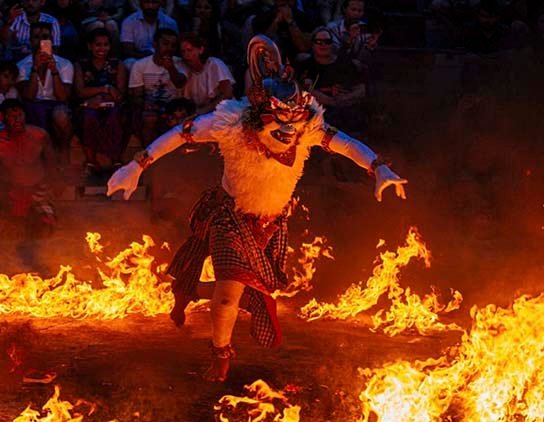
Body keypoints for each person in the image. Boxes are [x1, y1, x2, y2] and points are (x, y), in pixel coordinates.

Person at [107, 35, 408, 382]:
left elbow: (347, 144)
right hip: (230, 217)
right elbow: (181, 133)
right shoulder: (230, 125)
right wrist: (136, 166)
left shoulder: (307, 129)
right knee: (228, 297)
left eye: (294, 123)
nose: (288, 131)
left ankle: (188, 289)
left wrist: (378, 168)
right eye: (279, 122)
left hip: (272, 223)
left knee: (241, 291)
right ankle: (221, 355)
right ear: (256, 116)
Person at [0, 98, 58, 239]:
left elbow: (52, 165)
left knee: (45, 227)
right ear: (2, 118)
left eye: (20, 115)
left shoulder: (40, 136)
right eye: (12, 116)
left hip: (38, 190)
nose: (17, 120)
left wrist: (53, 187)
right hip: (9, 192)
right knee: (6, 230)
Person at [74, 27, 127, 175]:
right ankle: (91, 161)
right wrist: (105, 89)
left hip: (112, 106)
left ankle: (116, 160)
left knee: (115, 116)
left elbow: (119, 94)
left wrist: (101, 96)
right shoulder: (81, 65)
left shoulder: (117, 64)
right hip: (87, 106)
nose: (102, 49)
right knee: (89, 116)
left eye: (106, 44)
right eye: (98, 44)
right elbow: (80, 92)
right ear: (89, 46)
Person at [17, 21, 73, 155]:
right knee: (37, 111)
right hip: (33, 104)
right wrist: (35, 68)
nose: (41, 41)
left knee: (61, 115)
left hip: (56, 104)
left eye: (45, 37)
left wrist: (54, 70)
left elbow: (63, 97)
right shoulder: (21, 65)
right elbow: (29, 96)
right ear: (30, 40)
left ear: (51, 40)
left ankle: (63, 156)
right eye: (36, 37)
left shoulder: (64, 64)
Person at [296, 26, 366, 130]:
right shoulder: (306, 66)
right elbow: (307, 91)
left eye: (327, 41)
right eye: (318, 41)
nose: (323, 45)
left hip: (347, 112)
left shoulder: (345, 63)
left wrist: (346, 98)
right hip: (318, 116)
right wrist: (331, 101)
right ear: (313, 44)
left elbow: (361, 89)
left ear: (332, 44)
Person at [128, 27, 186, 146]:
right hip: (151, 108)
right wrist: (145, 105)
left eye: (173, 45)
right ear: (155, 44)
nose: (169, 48)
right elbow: (137, 96)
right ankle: (150, 154)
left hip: (175, 108)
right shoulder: (140, 65)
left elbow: (180, 83)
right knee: (149, 119)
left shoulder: (180, 63)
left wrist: (171, 68)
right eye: (165, 44)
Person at [178, 32, 234, 115]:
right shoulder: (186, 70)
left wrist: (203, 110)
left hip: (223, 110)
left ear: (201, 50)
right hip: (201, 113)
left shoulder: (214, 64)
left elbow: (227, 94)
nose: (186, 55)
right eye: (183, 52)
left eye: (189, 50)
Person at [120, 0, 179, 66]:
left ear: (160, 4)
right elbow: (128, 50)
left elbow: (174, 47)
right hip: (139, 58)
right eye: (146, 2)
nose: (150, 6)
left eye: (154, 2)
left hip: (164, 57)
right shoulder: (129, 21)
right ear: (141, 4)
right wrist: (146, 57)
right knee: (130, 62)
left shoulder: (170, 23)